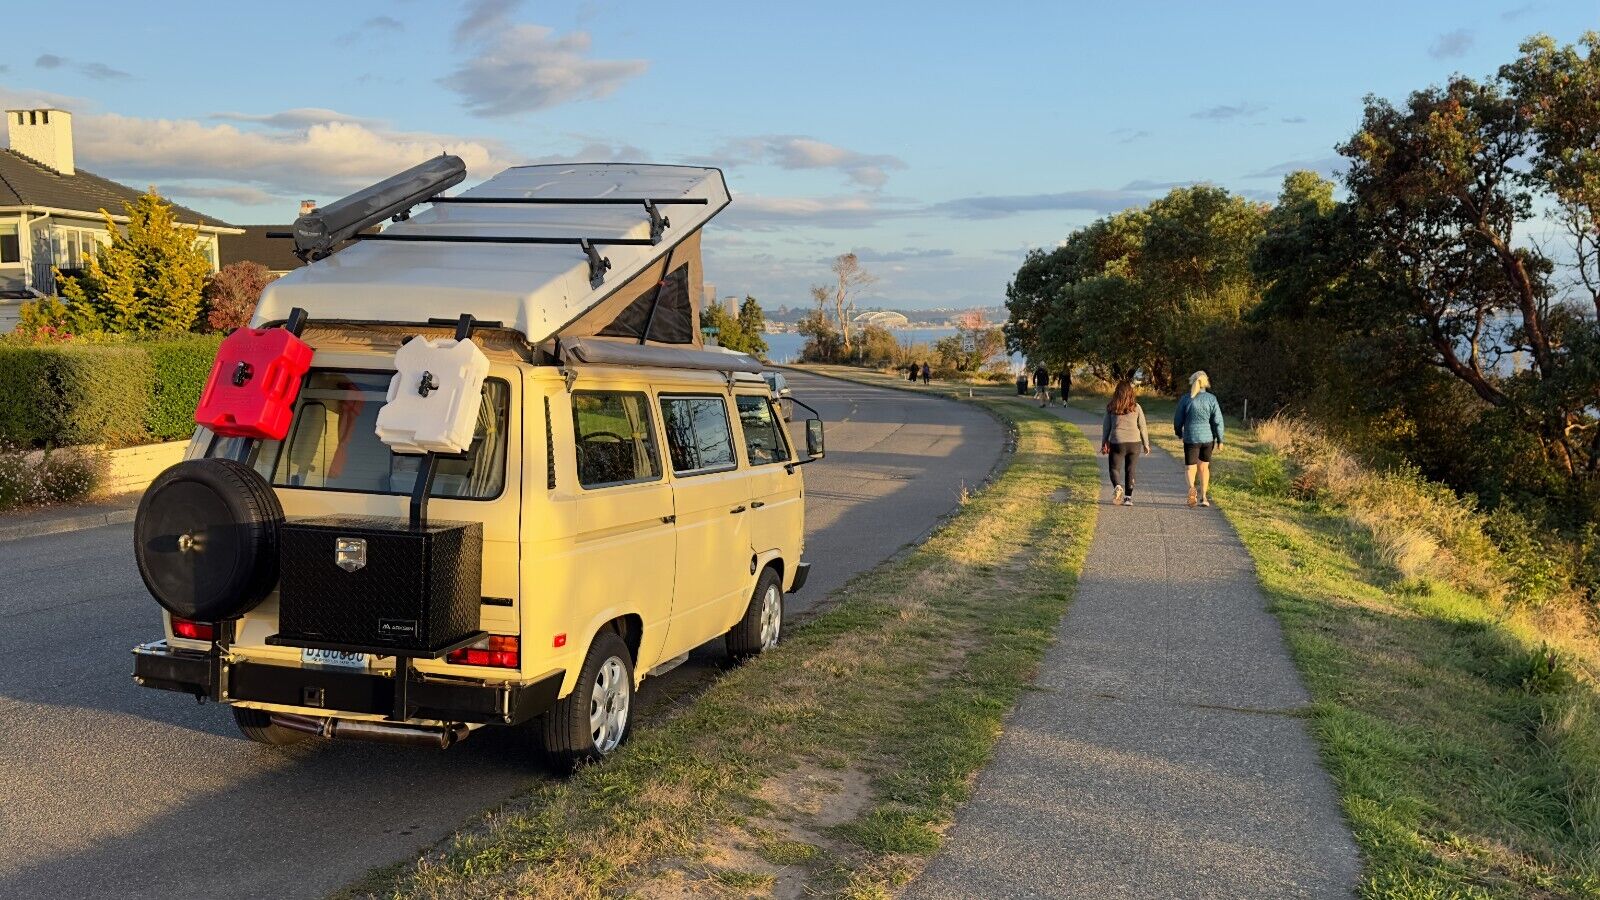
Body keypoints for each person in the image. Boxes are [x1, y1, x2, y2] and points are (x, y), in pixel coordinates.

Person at [1174, 370, 1224, 508]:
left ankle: (1191, 488)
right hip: (1207, 438)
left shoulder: (1186, 399)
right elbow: (1218, 421)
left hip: (1191, 437)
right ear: (1206, 382)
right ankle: (1204, 497)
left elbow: (1178, 419)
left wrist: (1179, 432)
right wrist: (1220, 439)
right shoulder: (1211, 399)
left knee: (1190, 468)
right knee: (1204, 468)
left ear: (1192, 381)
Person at [1099, 379, 1149, 506]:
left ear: (1117, 392)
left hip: (1117, 442)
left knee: (1114, 468)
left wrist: (1104, 442)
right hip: (1134, 443)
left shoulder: (1111, 406)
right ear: (1131, 392)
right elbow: (1142, 426)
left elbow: (1106, 427)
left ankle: (1117, 486)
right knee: (1130, 469)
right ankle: (1128, 498)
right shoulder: (1136, 407)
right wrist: (1146, 444)